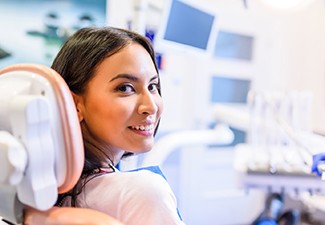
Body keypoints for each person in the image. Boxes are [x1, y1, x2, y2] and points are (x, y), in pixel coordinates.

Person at [50, 26, 185, 225]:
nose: (150, 106)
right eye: (125, 88)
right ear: (74, 104)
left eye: (152, 86)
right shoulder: (141, 193)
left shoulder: (48, 193)